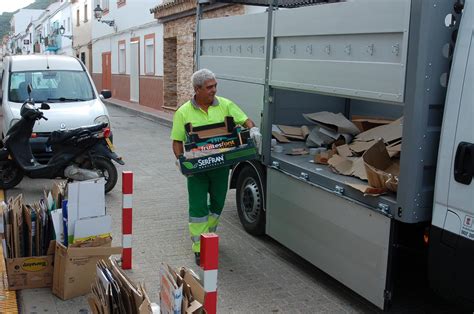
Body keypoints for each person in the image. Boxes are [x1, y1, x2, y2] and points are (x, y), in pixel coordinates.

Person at [170, 68, 260, 265]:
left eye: (215, 86)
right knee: (198, 208)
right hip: (197, 170)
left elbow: (245, 120)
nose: (214, 90)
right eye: (209, 87)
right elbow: (177, 141)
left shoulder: (226, 105)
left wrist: (252, 129)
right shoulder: (183, 112)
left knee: (218, 204)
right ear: (197, 89)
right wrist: (180, 161)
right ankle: (199, 248)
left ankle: (208, 234)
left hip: (220, 167)